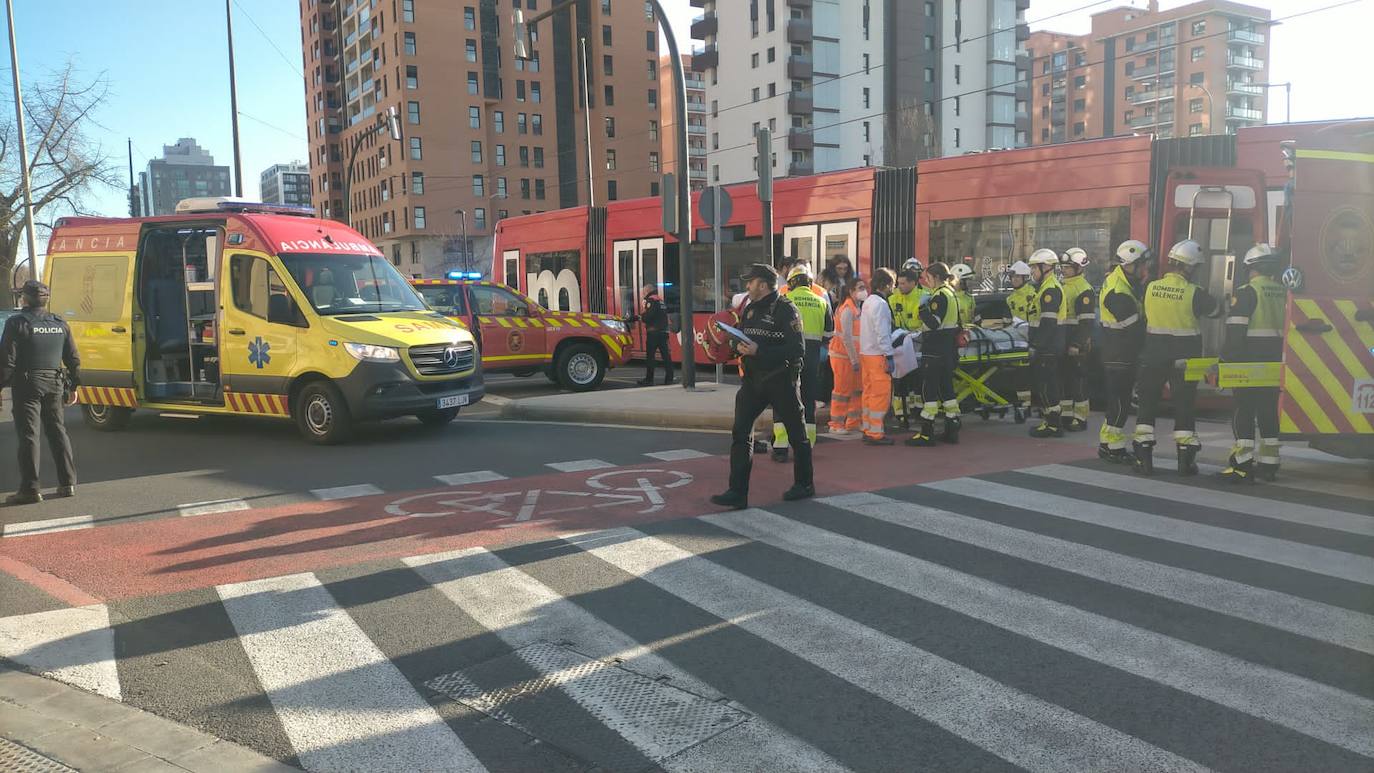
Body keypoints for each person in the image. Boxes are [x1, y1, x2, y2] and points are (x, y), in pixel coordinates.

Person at [711, 264, 813, 509]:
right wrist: (733, 344)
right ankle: (737, 492)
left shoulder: (786, 309)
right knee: (741, 434)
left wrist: (761, 350)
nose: (747, 286)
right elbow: (746, 338)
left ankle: (805, 484)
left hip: (780, 380)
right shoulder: (750, 309)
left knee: (797, 435)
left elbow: (797, 348)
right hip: (753, 380)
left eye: (751, 281)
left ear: (764, 285)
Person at [1132, 239, 1222, 476]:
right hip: (1185, 357)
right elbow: (1217, 311)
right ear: (1190, 267)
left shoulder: (1151, 287)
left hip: (1153, 354)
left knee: (1147, 404)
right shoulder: (1195, 293)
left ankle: (1143, 458)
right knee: (1184, 405)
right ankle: (1185, 461)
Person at [1, 280, 80, 505]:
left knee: (29, 436)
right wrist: (74, 385)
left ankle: (30, 489)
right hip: (55, 383)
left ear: (24, 299)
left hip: (27, 384)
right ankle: (68, 483)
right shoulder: (59, 323)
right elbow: (73, 357)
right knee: (58, 432)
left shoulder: (17, 323)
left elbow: (7, 361)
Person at [1220, 244, 1288, 483]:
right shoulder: (1282, 291)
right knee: (1269, 410)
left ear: (1251, 268)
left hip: (1249, 363)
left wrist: (1225, 361)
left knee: (1244, 410)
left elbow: (1236, 332)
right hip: (1274, 363)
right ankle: (1269, 464)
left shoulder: (1248, 292)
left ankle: (1242, 462)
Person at [1097, 239, 1151, 463]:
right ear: (1131, 265)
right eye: (1142, 265)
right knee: (1120, 402)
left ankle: (1110, 445)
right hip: (1118, 353)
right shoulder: (1117, 290)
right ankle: (1113, 448)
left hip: (1119, 351)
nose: (1145, 269)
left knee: (1119, 400)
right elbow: (1133, 326)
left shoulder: (1124, 282)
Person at [772, 264, 832, 461]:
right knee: (807, 400)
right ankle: (807, 444)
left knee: (783, 399)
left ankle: (781, 447)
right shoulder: (821, 301)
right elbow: (829, 333)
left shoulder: (784, 300)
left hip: (787, 358)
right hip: (812, 359)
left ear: (791, 283)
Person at [907, 262, 962, 446]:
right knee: (947, 391)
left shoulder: (939, 296)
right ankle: (951, 427)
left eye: (928, 278)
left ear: (936, 277)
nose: (927, 281)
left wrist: (922, 309)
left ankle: (926, 433)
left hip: (934, 349)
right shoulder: (952, 293)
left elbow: (933, 323)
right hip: (947, 350)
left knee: (928, 391)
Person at [1025, 248, 1066, 438]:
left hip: (1047, 347)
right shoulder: (1046, 287)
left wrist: (1036, 346)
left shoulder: (1050, 289)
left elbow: (1048, 323)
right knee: (1048, 384)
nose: (1032, 271)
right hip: (1048, 345)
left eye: (1034, 267)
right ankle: (1053, 422)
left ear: (1046, 267)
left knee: (1046, 386)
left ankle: (1052, 424)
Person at [1058, 247, 1097, 432]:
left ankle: (1081, 418)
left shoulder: (1084, 289)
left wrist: (1076, 344)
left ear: (1079, 268)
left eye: (1068, 267)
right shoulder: (1062, 285)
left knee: (1078, 380)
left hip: (1077, 340)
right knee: (1064, 378)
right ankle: (1066, 415)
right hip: (1063, 337)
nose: (1064, 270)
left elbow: (1086, 322)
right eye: (1063, 267)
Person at [887, 258, 927, 428]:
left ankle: (917, 411)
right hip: (898, 343)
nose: (900, 286)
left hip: (918, 343)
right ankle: (901, 414)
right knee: (899, 381)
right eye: (899, 283)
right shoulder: (892, 298)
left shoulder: (924, 296)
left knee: (916, 381)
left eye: (903, 283)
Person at [859, 267, 897, 445]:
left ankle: (868, 428)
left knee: (868, 392)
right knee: (880, 394)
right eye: (892, 285)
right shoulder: (881, 305)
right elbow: (882, 333)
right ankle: (876, 432)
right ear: (886, 284)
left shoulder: (868, 301)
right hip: (877, 355)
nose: (893, 289)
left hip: (866, 353)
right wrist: (889, 355)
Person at [828, 279, 864, 435]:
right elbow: (847, 338)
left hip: (852, 356)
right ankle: (836, 424)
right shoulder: (848, 309)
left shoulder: (856, 307)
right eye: (860, 288)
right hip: (843, 357)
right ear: (851, 291)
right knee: (841, 392)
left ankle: (853, 422)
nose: (864, 291)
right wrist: (855, 359)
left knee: (857, 390)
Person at [632, 283, 674, 386]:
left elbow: (649, 316)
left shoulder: (651, 300)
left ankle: (649, 380)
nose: (643, 294)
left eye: (643, 292)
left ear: (647, 291)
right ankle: (669, 379)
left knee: (650, 357)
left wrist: (639, 317)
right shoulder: (660, 300)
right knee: (666, 357)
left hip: (653, 333)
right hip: (663, 332)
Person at [950, 263, 978, 327]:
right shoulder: (949, 298)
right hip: (954, 334)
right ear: (958, 281)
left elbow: (976, 319)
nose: (969, 284)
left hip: (970, 334)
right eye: (967, 280)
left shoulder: (970, 298)